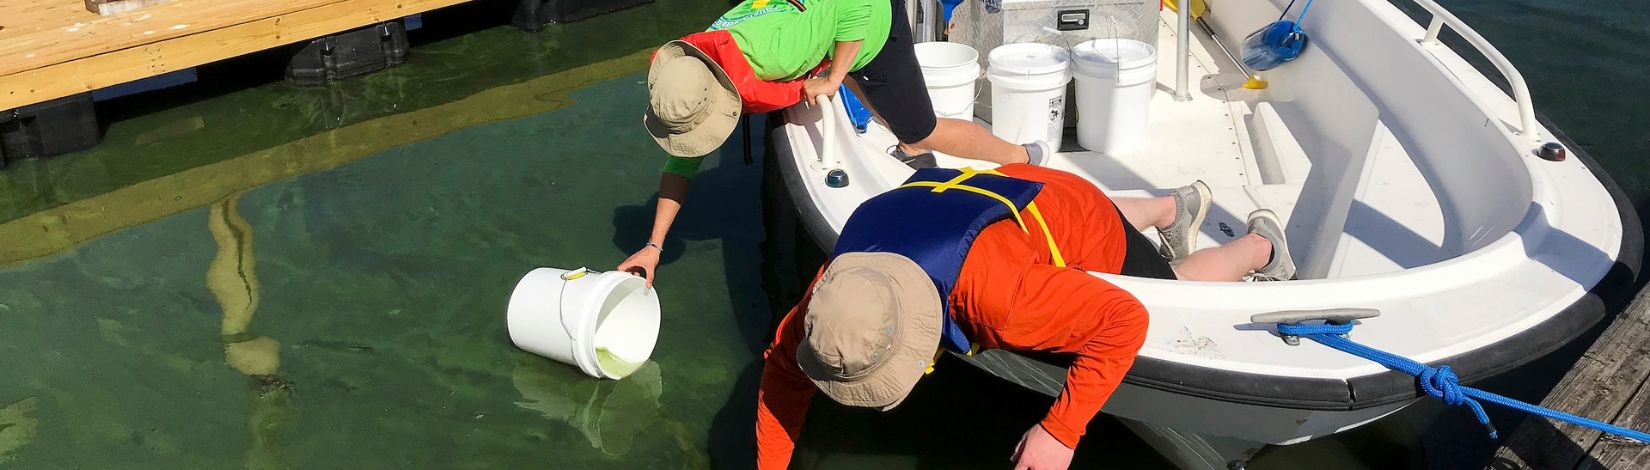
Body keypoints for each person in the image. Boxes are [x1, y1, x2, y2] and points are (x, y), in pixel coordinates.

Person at [753, 164, 1296, 469]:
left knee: (1169, 289)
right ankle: (1169, 206)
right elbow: (782, 368)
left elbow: (1124, 319)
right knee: (1080, 212)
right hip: (1011, 189)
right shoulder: (840, 289)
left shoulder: (1003, 304)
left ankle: (1258, 247)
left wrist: (1059, 433)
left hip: (1075, 230)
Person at [624, 0, 1050, 285]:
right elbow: (681, 165)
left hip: (873, 23)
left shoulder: (777, 54)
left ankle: (1025, 154)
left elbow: (857, 5)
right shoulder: (700, 62)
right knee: (888, 113)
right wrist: (652, 246)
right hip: (821, 27)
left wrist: (832, 77)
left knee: (920, 132)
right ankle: (903, 137)